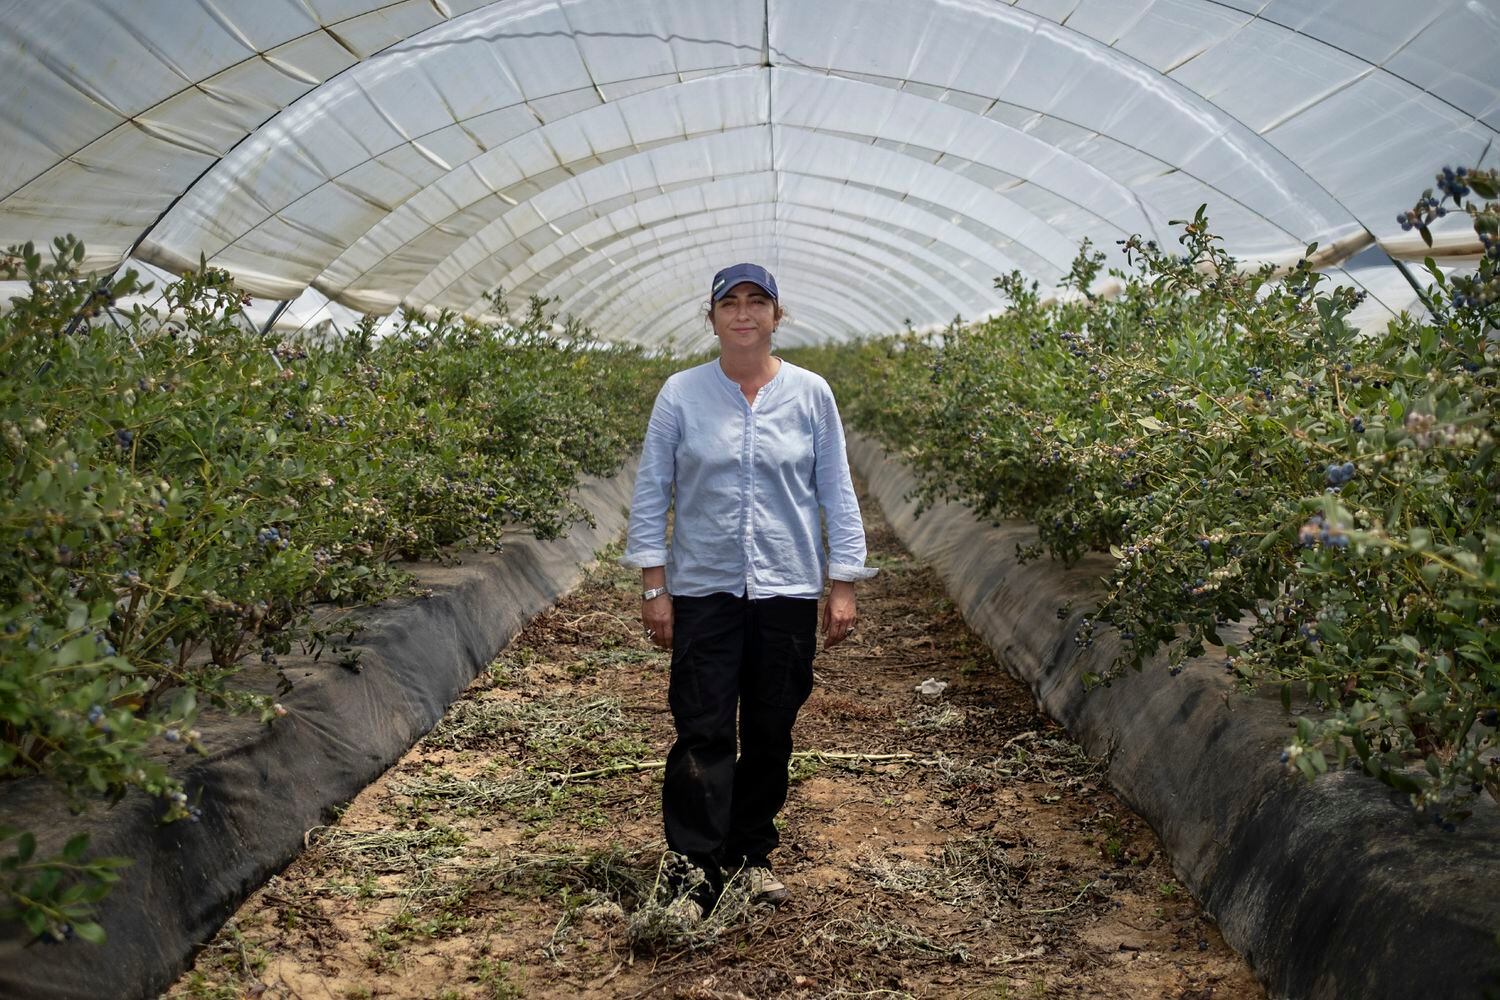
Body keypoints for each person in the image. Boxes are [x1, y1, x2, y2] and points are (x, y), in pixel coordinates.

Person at [621, 262, 877, 920]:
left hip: (787, 589)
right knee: (702, 729)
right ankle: (692, 870)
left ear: (776, 316)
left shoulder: (811, 394)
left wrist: (841, 582)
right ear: (710, 318)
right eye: (728, 303)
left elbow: (836, 494)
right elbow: (653, 491)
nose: (743, 313)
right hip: (703, 588)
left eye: (756, 301)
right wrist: (655, 585)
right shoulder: (681, 394)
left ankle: (750, 859)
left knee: (770, 730)